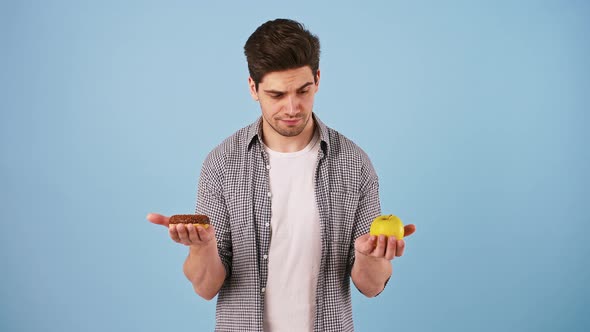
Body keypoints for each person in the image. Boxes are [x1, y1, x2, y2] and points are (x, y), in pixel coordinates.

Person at [147, 18, 416, 332]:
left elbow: (371, 286)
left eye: (303, 91)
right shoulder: (221, 163)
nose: (292, 108)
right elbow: (206, 287)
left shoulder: (355, 163)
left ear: (317, 79)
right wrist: (203, 247)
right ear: (253, 88)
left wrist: (369, 256)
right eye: (276, 95)